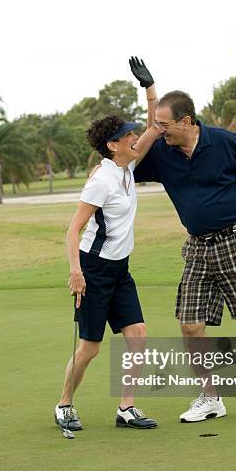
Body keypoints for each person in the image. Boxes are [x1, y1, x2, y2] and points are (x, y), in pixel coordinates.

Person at [130, 82, 236, 423]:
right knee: (190, 325)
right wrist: (151, 104)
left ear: (186, 121)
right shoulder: (161, 152)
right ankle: (210, 398)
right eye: (157, 125)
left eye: (165, 125)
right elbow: (132, 158)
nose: (160, 131)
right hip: (199, 247)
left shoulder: (223, 142)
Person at [55, 61, 163, 431]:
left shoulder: (127, 167)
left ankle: (126, 409)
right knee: (90, 347)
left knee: (138, 336)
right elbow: (74, 230)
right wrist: (76, 272)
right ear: (112, 144)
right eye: (127, 135)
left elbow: (153, 127)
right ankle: (65, 404)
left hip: (120, 269)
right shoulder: (101, 180)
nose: (136, 137)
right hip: (94, 270)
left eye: (133, 133)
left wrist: (149, 88)